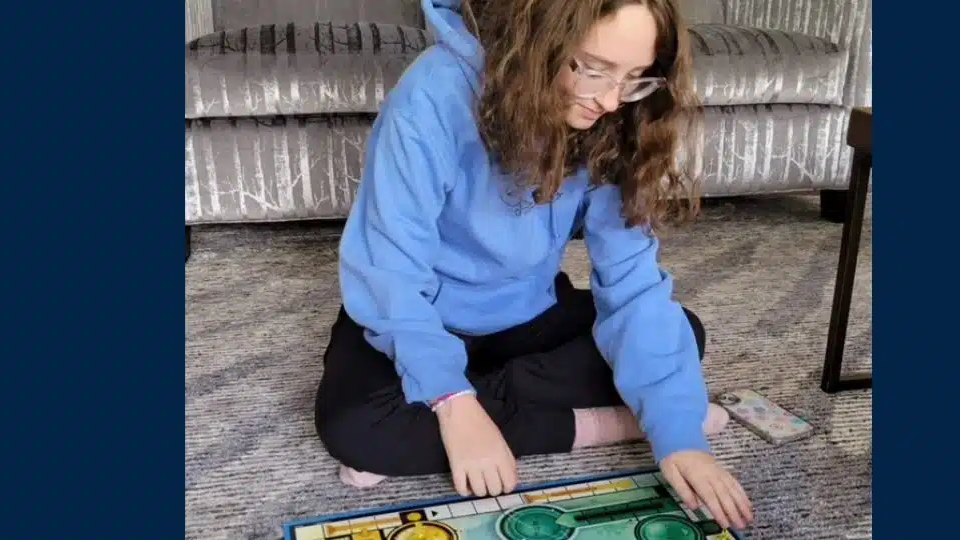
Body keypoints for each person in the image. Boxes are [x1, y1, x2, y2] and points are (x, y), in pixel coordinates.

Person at [314, 0, 753, 530]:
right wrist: (453, 401)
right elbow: (387, 273)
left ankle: (456, 414)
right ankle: (596, 424)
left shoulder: (615, 120)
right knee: (352, 427)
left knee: (681, 333)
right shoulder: (431, 94)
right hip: (419, 315)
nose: (613, 100)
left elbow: (633, 286)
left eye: (636, 78)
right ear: (539, 35)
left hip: (525, 314)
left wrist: (682, 438)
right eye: (593, 69)